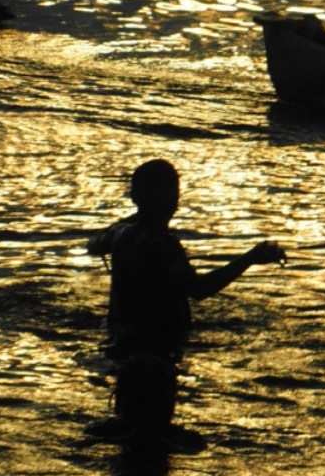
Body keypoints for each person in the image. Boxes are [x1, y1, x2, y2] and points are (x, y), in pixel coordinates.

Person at [87, 158, 286, 359]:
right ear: (174, 200)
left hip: (119, 340)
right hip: (158, 347)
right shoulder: (164, 246)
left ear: (134, 197)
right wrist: (250, 258)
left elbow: (93, 245)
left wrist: (137, 215)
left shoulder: (119, 234)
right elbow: (199, 289)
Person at [84, 353, 205, 454]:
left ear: (117, 400)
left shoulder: (99, 432)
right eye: (139, 400)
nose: (148, 409)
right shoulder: (188, 441)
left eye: (156, 401)